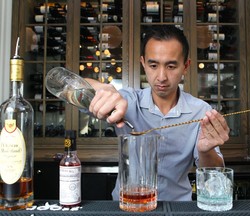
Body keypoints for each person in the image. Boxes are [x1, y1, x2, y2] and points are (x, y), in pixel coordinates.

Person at [86, 25, 230, 201]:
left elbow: (215, 175)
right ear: (143, 64)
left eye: (171, 66)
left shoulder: (202, 111)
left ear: (186, 66)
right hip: (129, 205)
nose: (161, 76)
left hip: (178, 208)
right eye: (153, 65)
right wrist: (102, 89)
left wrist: (206, 151)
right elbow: (69, 86)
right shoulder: (126, 101)